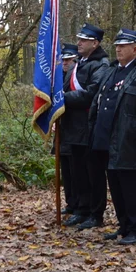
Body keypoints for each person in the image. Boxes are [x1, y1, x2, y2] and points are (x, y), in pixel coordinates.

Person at [88, 28, 136, 245]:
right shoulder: (112, 71)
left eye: (123, 46)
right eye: (116, 46)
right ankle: (124, 226)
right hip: (109, 141)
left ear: (135, 49)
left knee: (134, 187)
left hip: (132, 142)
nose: (118, 49)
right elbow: (100, 100)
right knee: (117, 186)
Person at [66, 24, 112, 230]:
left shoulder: (101, 65)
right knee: (78, 173)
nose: (79, 43)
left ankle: (96, 213)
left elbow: (92, 94)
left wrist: (62, 99)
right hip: (74, 128)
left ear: (95, 43)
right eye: (79, 39)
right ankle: (82, 209)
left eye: (83, 40)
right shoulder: (79, 63)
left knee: (93, 173)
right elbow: (67, 87)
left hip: (90, 128)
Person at [59, 44, 80, 216]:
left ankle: (78, 203)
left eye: (68, 60)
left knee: (75, 171)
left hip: (75, 130)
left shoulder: (76, 76)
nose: (65, 63)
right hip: (63, 129)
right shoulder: (59, 76)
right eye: (63, 60)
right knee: (66, 170)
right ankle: (71, 202)